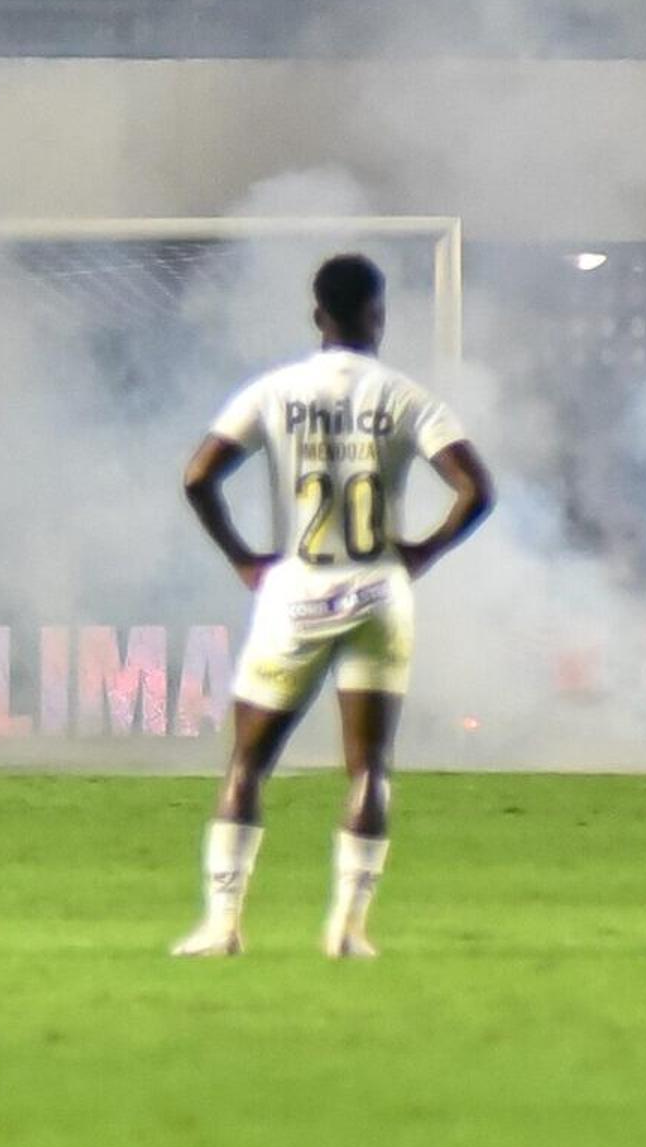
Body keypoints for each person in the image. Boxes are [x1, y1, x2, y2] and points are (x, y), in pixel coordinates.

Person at [174, 255, 494, 961]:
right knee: (369, 767)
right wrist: (423, 552)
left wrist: (241, 556)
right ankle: (347, 930)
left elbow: (198, 477)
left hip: (297, 589)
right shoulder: (406, 397)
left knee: (247, 765)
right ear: (378, 315)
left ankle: (223, 926)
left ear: (318, 315)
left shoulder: (273, 391)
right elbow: (477, 489)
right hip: (381, 590)